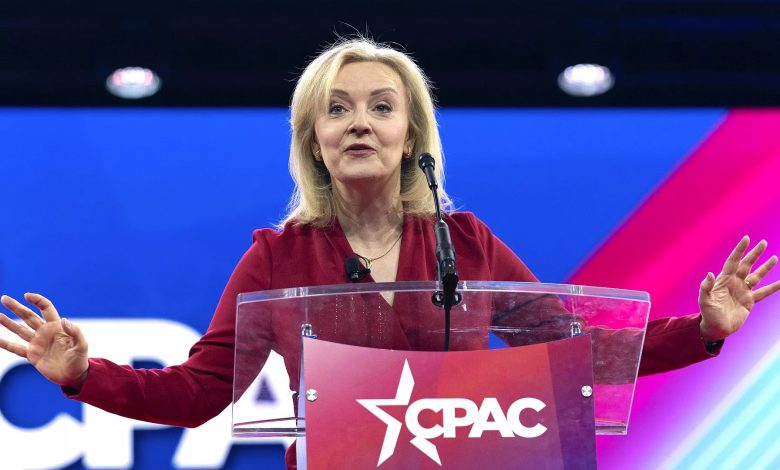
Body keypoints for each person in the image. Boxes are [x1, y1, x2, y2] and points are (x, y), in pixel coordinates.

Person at [1, 38, 779, 467]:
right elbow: (201, 392)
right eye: (337, 110)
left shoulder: (465, 243)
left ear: (410, 137)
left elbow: (573, 348)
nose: (360, 123)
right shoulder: (277, 258)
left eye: (382, 107)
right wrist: (82, 376)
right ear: (315, 139)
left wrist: (704, 331)